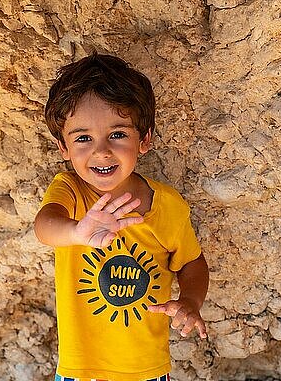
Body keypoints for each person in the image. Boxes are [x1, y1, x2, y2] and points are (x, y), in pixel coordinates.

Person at [34, 52, 209, 381]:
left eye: (117, 134)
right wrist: (76, 231)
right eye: (83, 138)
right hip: (81, 369)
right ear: (63, 147)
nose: (101, 151)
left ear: (144, 140)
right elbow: (44, 226)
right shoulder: (71, 192)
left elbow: (192, 263)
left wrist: (190, 300)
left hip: (145, 369)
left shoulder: (166, 206)